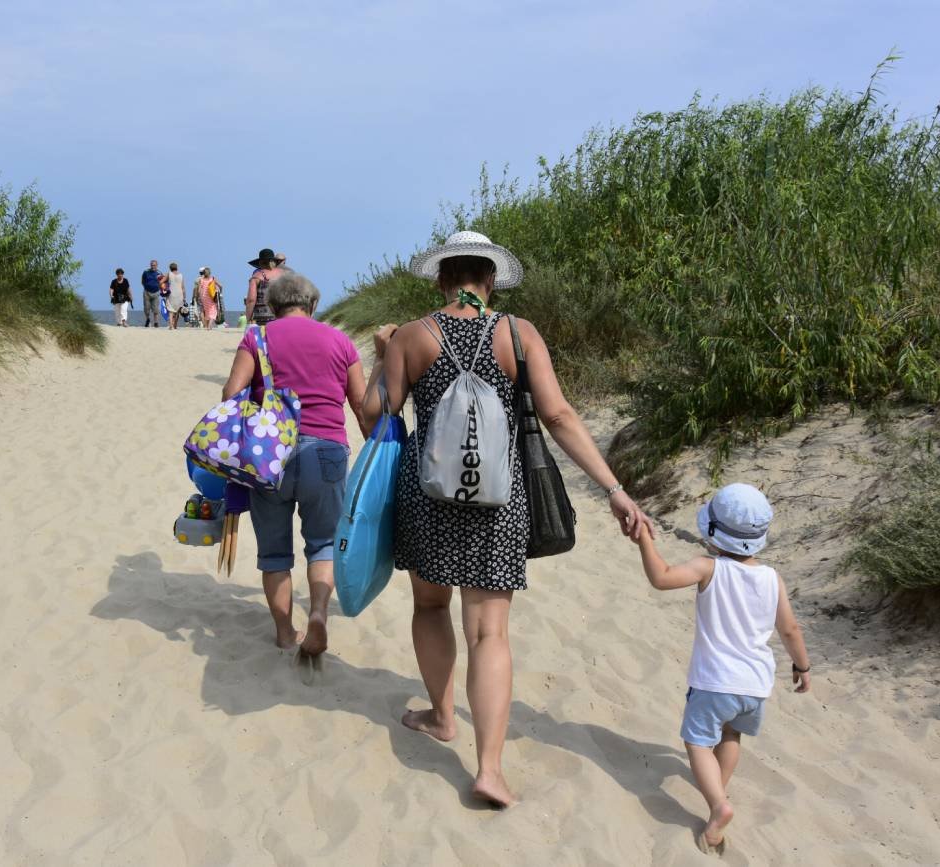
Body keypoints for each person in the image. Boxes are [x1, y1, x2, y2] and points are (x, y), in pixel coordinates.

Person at [360, 230, 653, 808]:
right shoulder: (518, 334)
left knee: (428, 605)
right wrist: (614, 487)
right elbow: (560, 415)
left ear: (442, 277)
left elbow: (376, 416)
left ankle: (443, 716)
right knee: (490, 632)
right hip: (501, 497)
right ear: (489, 279)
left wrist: (380, 354)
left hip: (429, 496)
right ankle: (489, 769)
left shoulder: (414, 336)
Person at [632, 483, 810, 856]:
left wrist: (645, 541)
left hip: (715, 681)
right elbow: (790, 629)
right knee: (731, 737)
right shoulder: (772, 578)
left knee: (697, 741)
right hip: (755, 686)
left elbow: (661, 577)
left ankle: (717, 805)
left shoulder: (707, 567)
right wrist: (802, 665)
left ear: (713, 531)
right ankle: (718, 789)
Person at [221, 272, 367, 657]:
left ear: (271, 305)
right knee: (322, 545)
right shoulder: (341, 341)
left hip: (271, 457)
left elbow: (231, 393)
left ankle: (286, 633)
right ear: (314, 306)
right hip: (328, 452)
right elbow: (362, 405)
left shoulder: (257, 337)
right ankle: (318, 612)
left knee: (274, 553)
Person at [245, 247, 283, 325]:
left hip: (262, 318)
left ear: (260, 263)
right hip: (281, 317)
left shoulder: (257, 277)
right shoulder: (283, 275)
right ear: (275, 262)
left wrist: (248, 318)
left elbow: (251, 300)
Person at [140, 260, 163, 328]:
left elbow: (163, 282)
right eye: (152, 265)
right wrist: (146, 286)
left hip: (156, 293)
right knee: (147, 308)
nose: (153, 266)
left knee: (155, 309)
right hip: (147, 292)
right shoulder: (146, 272)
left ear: (157, 265)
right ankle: (148, 320)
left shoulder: (159, 273)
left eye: (154, 265)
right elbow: (142, 281)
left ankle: (156, 322)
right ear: (150, 265)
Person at [166, 263, 187, 330]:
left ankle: (170, 325)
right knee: (177, 310)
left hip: (171, 293)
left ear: (170, 268)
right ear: (177, 267)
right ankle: (175, 325)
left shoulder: (169, 274)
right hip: (179, 294)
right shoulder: (181, 275)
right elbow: (183, 287)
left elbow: (162, 282)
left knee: (171, 310)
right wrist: (184, 297)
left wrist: (163, 287)